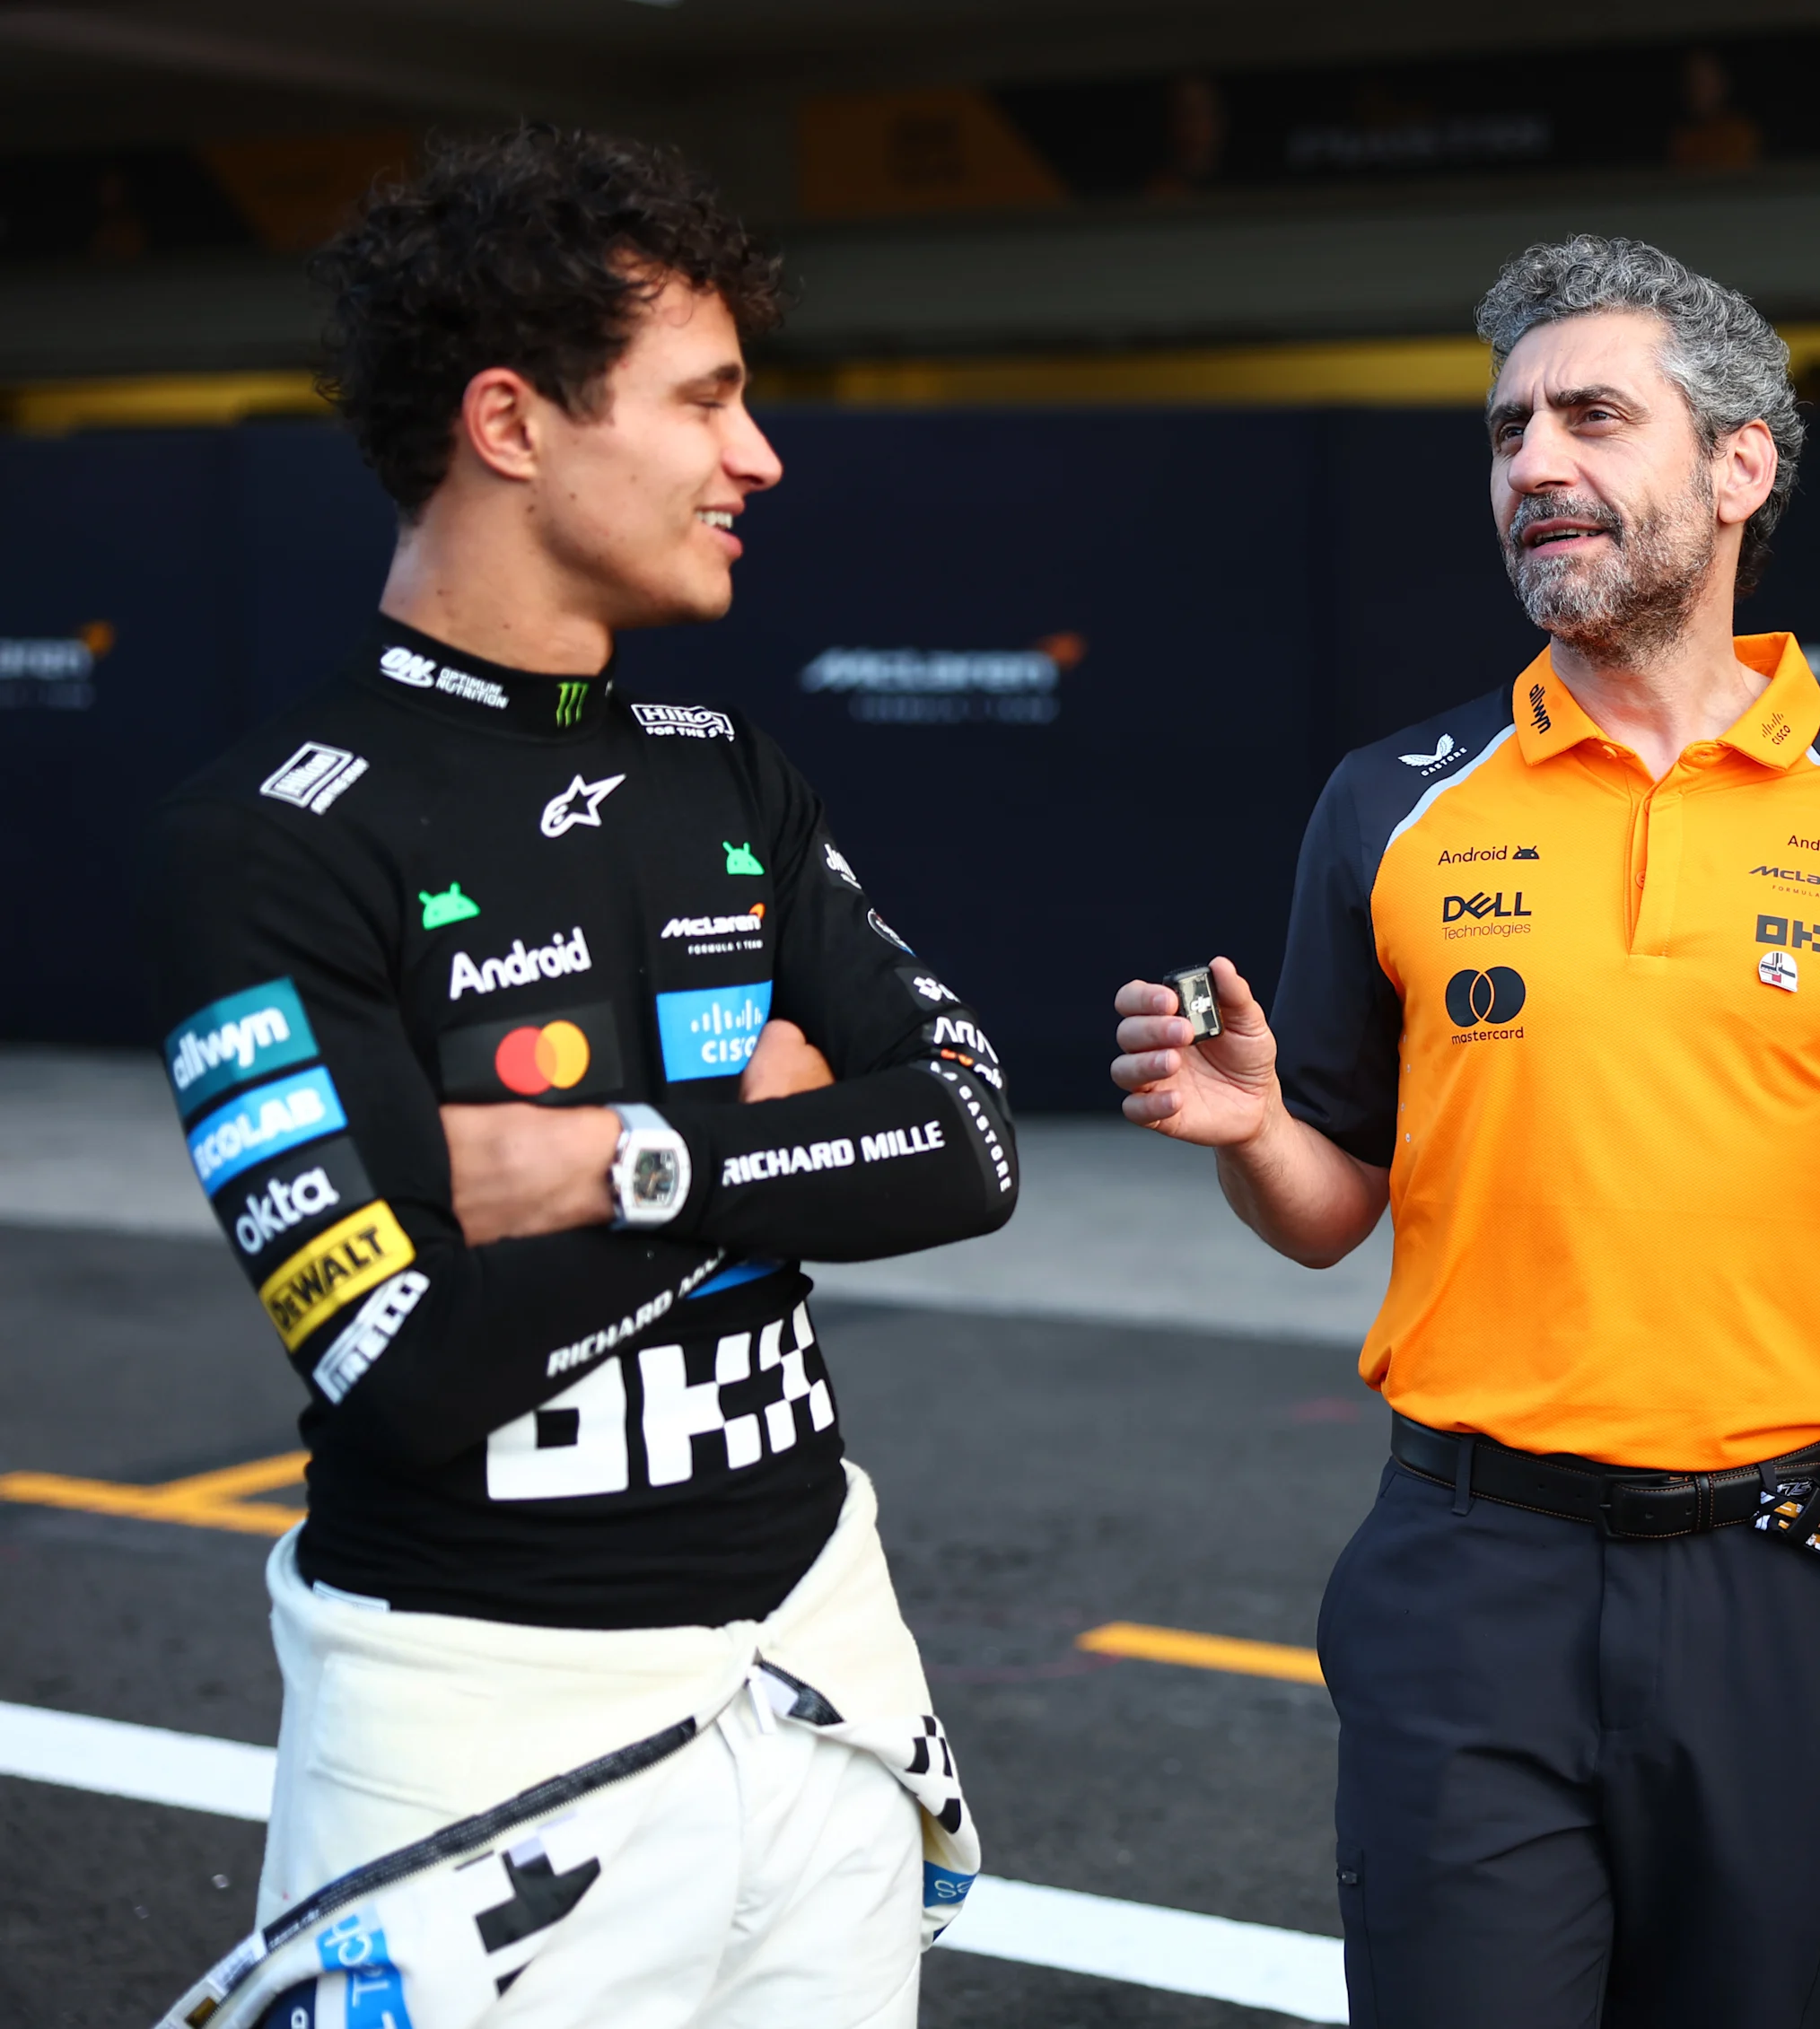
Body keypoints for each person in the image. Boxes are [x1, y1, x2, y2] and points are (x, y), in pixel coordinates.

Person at [1110, 234, 1820, 2027]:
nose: (1532, 465)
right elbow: (1329, 1209)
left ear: (1741, 465)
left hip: (1795, 1577)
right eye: (1506, 431)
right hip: (1464, 1567)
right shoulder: (1392, 800)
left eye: (1590, 416)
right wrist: (1254, 1129)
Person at [136, 127, 1018, 2025]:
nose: (757, 456)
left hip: (823, 1679)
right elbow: (403, 1359)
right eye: (706, 399)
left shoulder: (727, 766)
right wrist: (770, 1128)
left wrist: (614, 1155)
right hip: (471, 1729)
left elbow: (963, 1146)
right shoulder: (266, 836)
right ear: (513, 423)